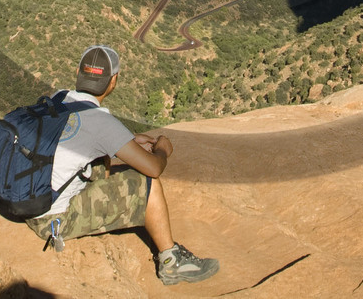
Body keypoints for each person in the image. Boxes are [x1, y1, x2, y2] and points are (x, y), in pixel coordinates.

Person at [25, 44, 219, 286]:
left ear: (78, 72)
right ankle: (171, 262)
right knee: (147, 183)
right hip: (52, 219)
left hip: (29, 196)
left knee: (100, 164)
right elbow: (153, 168)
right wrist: (162, 150)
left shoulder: (59, 97)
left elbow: (79, 136)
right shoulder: (101, 121)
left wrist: (128, 142)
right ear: (113, 80)